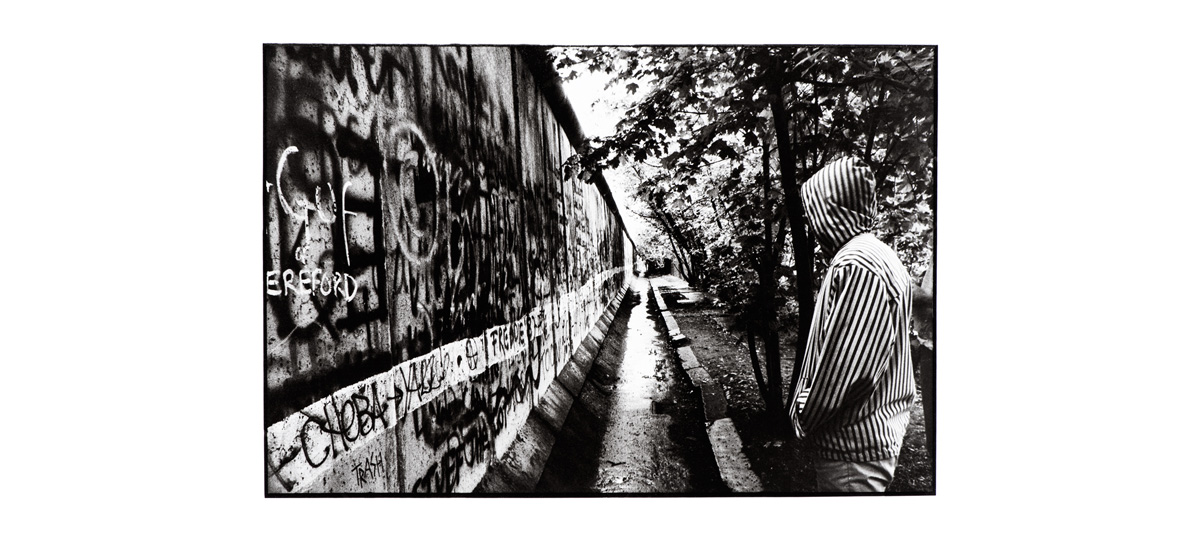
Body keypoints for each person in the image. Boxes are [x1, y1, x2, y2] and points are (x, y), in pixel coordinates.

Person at [788, 157, 916, 493]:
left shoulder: (857, 262)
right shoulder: (877, 255)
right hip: (866, 441)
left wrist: (803, 416)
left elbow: (844, 372)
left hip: (851, 453)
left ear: (831, 209)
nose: (812, 226)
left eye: (814, 211)